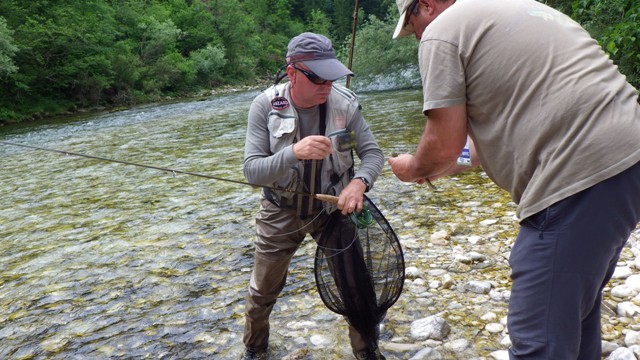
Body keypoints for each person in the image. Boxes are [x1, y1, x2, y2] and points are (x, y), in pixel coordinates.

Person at [389, 0, 640, 358]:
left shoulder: (442, 34)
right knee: (572, 313)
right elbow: (468, 149)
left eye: (410, 25)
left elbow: (443, 146)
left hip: (576, 173)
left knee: (537, 334)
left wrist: (413, 167)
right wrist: (434, 166)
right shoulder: (512, 7)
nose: (415, 35)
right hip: (626, 160)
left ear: (425, 6)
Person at [241, 32, 385, 360]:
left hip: (333, 211)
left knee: (355, 289)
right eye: (318, 77)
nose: (327, 85)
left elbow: (373, 155)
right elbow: (252, 173)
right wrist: (294, 152)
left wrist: (359, 183)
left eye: (332, 76)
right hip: (281, 211)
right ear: (292, 73)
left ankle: (366, 353)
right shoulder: (265, 105)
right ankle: (254, 349)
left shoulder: (345, 103)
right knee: (262, 293)